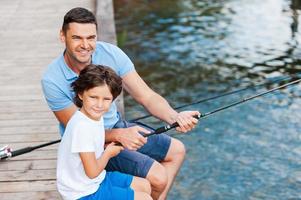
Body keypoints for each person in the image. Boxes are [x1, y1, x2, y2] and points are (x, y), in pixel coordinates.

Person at [42, 7, 200, 200]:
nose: (85, 45)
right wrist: (119, 136)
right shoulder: (52, 80)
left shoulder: (112, 54)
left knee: (177, 150)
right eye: (77, 38)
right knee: (158, 178)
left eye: (91, 37)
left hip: (116, 127)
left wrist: (175, 116)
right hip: (93, 144)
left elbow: (147, 97)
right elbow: (76, 127)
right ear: (62, 36)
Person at [57, 64, 152, 200]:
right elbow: (92, 172)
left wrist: (106, 147)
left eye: (106, 99)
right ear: (81, 94)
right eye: (93, 97)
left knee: (145, 186)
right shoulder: (82, 127)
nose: (99, 105)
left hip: (95, 181)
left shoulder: (93, 117)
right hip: (82, 193)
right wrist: (108, 153)